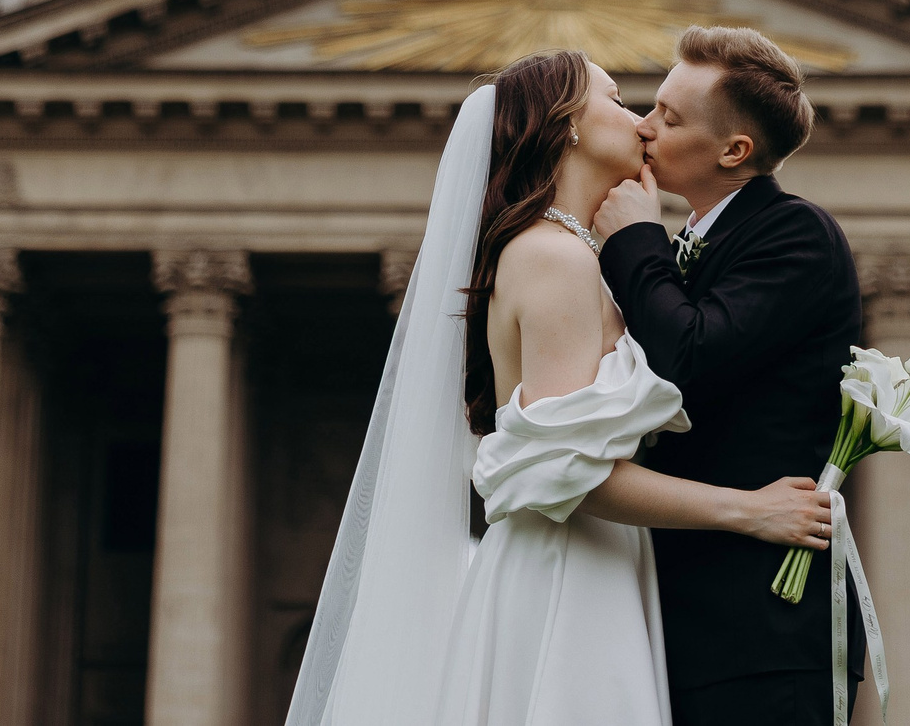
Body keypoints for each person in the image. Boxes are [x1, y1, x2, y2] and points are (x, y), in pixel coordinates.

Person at [283, 49, 833, 726]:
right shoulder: (555, 257)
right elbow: (567, 470)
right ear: (567, 125)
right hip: (571, 570)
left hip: (596, 559)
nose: (642, 123)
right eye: (620, 101)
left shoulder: (577, 255)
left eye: (659, 111)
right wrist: (745, 509)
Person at [592, 25, 865, 726]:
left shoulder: (794, 233)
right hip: (682, 611)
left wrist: (632, 238)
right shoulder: (694, 241)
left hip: (761, 628)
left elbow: (687, 360)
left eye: (668, 116)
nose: (643, 128)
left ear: (734, 150)